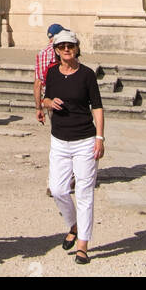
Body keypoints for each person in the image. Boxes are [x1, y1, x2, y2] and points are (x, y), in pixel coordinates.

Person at [41, 29, 104, 265]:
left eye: (71, 45)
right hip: (59, 139)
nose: (66, 49)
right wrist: (48, 103)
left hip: (85, 140)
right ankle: (74, 224)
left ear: (77, 48)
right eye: (62, 46)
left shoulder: (87, 75)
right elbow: (45, 98)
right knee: (57, 189)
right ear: (56, 51)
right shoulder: (52, 73)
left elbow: (97, 106)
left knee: (85, 193)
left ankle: (83, 245)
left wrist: (100, 138)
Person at [34, 21, 66, 124]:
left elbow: (38, 83)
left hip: (49, 98)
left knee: (56, 130)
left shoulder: (41, 54)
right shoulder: (66, 51)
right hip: (67, 96)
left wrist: (39, 108)